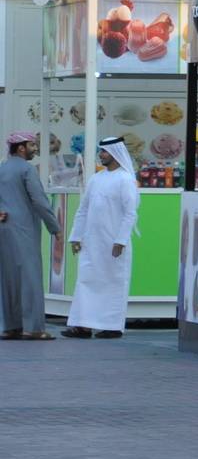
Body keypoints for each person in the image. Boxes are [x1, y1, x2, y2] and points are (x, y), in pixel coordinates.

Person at [61, 137, 140, 340]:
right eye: (101, 152)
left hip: (114, 243)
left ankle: (112, 326)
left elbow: (131, 213)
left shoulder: (125, 180)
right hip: (91, 242)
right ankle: (83, 326)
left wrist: (120, 240)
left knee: (113, 283)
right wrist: (76, 236)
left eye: (104, 152)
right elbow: (83, 209)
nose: (101, 155)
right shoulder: (96, 179)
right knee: (86, 281)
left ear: (114, 154)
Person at [0, 132, 63, 341]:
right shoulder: (27, 169)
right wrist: (55, 228)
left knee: (7, 278)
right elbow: (40, 201)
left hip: (4, 228)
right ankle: (33, 328)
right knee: (30, 277)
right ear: (21, 148)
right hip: (23, 229)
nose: (35, 149)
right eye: (33, 145)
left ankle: (10, 327)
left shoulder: (2, 168)